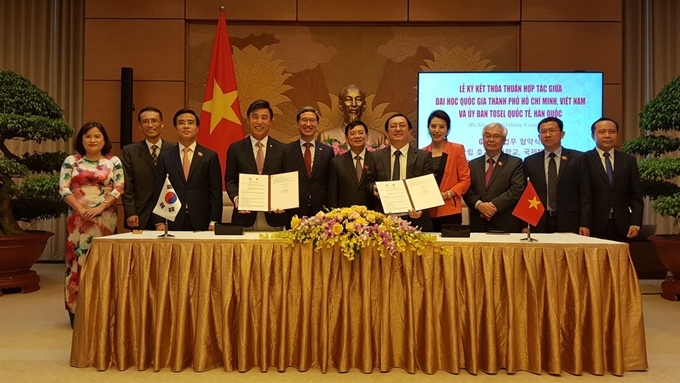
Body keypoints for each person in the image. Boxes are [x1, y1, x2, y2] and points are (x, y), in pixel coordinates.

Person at [59, 122, 124, 328]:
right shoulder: (71, 161)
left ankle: (104, 312)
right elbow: (63, 188)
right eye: (88, 136)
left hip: (104, 219)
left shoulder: (114, 161)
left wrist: (99, 208)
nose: (93, 140)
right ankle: (76, 313)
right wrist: (80, 209)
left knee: (103, 263)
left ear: (104, 140)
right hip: (77, 221)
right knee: (76, 264)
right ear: (82, 139)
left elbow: (119, 188)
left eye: (97, 136)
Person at [225, 100, 292, 230]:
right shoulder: (236, 148)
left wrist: (284, 201)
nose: (259, 122)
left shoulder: (282, 149)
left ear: (271, 121)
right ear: (248, 120)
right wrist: (237, 198)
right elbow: (230, 179)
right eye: (255, 117)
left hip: (274, 216)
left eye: (264, 117)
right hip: (244, 216)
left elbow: (287, 179)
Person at [152, 108, 222, 231]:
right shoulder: (165, 156)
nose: (186, 126)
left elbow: (215, 192)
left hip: (202, 219)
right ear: (175, 128)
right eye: (181, 123)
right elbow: (159, 189)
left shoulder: (210, 156)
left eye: (190, 122)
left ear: (197, 128)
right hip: (173, 219)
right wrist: (159, 221)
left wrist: (214, 220)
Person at [523, 117, 591, 235]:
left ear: (562, 134)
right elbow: (525, 194)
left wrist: (585, 223)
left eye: (552, 131)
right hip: (538, 221)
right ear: (539, 136)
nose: (547, 135)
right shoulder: (530, 161)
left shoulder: (578, 158)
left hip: (570, 220)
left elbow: (585, 193)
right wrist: (525, 224)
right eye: (543, 132)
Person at [367, 113, 434, 232]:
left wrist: (420, 209)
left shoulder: (423, 156)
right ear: (387, 133)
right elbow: (368, 181)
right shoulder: (376, 156)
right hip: (383, 219)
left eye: (402, 125)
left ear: (410, 131)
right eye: (393, 126)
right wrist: (373, 187)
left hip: (415, 219)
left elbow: (428, 187)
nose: (398, 129)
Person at [585, 117, 643, 241]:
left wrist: (636, 223)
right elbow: (582, 195)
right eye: (602, 132)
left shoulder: (628, 160)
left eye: (612, 132)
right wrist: (583, 223)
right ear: (593, 136)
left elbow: (635, 195)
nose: (607, 135)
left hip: (622, 226)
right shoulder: (584, 160)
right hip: (593, 226)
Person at [463, 122, 525, 232]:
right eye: (487, 136)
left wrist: (492, 207)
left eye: (496, 136)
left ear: (504, 140)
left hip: (505, 223)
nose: (491, 139)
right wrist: (479, 205)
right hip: (478, 223)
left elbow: (516, 190)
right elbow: (466, 189)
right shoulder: (472, 164)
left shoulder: (515, 163)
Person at [121, 106, 175, 230]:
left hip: (169, 212)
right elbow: (127, 185)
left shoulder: (174, 149)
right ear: (140, 126)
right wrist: (131, 212)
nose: (150, 125)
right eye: (145, 121)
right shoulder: (130, 151)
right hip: (140, 214)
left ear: (162, 124)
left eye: (154, 121)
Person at [422, 110, 471, 231]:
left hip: (450, 209)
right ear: (428, 128)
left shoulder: (457, 149)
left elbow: (465, 180)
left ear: (447, 130)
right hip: (427, 211)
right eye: (433, 126)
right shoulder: (422, 152)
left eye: (441, 127)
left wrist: (447, 194)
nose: (437, 130)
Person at [287, 106, 334, 219]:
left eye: (312, 120)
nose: (308, 124)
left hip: (321, 210)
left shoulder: (327, 151)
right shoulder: (286, 150)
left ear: (317, 125)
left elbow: (331, 183)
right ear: (297, 124)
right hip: (294, 210)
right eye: (304, 120)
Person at [328, 120, 378, 209]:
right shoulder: (336, 162)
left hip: (373, 214)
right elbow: (333, 194)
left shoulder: (376, 159)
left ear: (367, 136)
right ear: (346, 138)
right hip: (345, 215)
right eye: (352, 133)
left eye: (360, 133)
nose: (357, 136)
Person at [317, 84, 387, 146]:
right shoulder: (326, 136)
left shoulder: (379, 138)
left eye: (358, 99)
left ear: (364, 105)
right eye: (348, 100)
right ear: (340, 105)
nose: (354, 104)